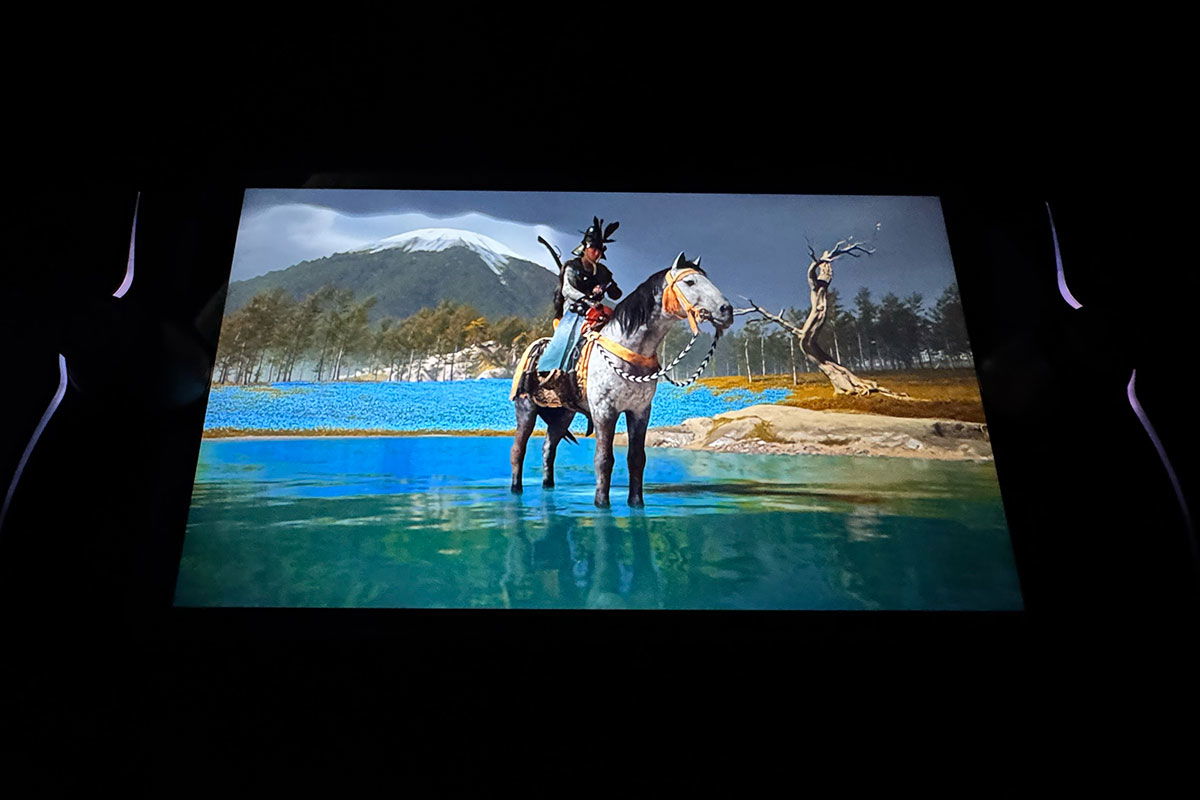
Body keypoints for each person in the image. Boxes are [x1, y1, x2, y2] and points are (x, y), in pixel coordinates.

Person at [539, 217, 623, 382]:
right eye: (593, 249)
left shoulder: (603, 271)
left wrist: (607, 286)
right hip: (574, 311)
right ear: (585, 247)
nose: (597, 253)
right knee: (568, 336)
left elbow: (616, 294)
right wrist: (587, 299)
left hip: (597, 312)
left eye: (600, 250)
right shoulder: (572, 267)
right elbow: (568, 290)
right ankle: (550, 371)